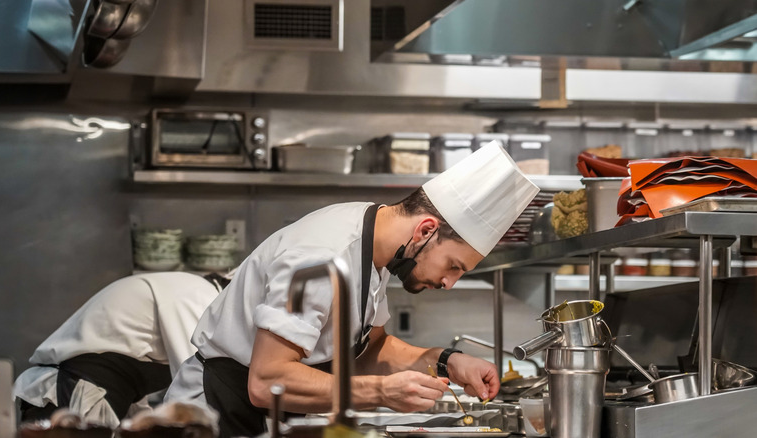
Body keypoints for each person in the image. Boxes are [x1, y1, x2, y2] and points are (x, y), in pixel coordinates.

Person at [165, 142, 540, 438]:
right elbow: (267, 382)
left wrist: (445, 360)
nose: (448, 283)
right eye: (454, 266)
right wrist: (380, 392)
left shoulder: (373, 249)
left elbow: (371, 349)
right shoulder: (320, 258)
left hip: (261, 420)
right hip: (211, 418)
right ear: (425, 231)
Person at [13, 271, 226, 428]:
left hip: (99, 399)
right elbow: (195, 387)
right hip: (73, 399)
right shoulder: (199, 296)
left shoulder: (195, 292)